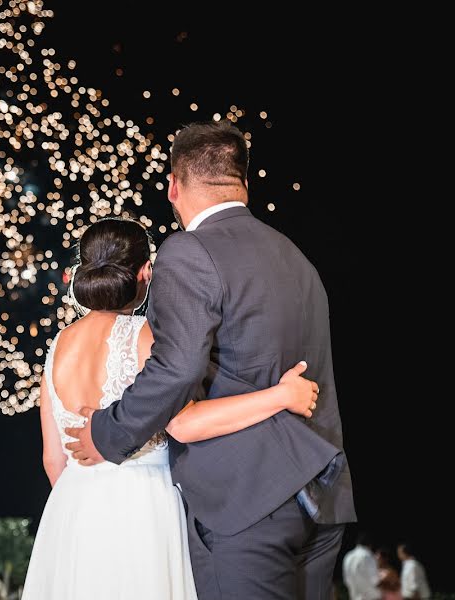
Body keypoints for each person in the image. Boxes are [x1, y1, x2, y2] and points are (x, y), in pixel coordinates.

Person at [64, 121, 356, 599]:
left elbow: (176, 369)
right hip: (321, 495)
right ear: (243, 182)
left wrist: (107, 432)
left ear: (173, 187)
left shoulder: (189, 250)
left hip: (246, 503)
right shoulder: (297, 258)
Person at [21, 218, 322, 599]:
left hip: (73, 508)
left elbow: (53, 458)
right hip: (141, 504)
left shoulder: (56, 348)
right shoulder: (142, 334)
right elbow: (184, 423)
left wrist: (83, 504)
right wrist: (280, 396)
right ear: (146, 271)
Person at [342, 532, 382, 600]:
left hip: (355, 596)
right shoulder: (367, 555)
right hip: (370, 596)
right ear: (370, 544)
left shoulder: (348, 556)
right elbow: (375, 579)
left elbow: (346, 579)